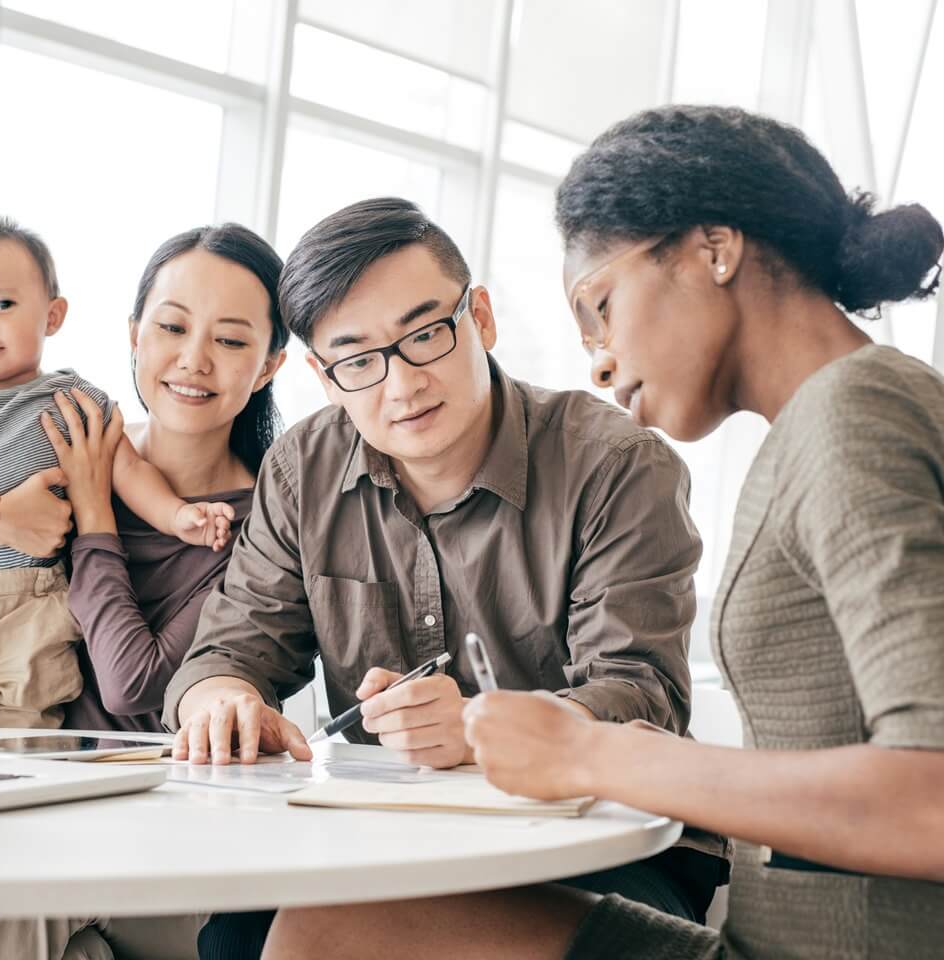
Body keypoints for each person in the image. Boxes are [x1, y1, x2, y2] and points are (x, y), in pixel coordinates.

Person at [328, 104, 944, 960]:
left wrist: (594, 754)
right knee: (336, 919)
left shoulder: (852, 415)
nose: (599, 359)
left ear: (713, 248)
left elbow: (932, 799)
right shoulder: (827, 422)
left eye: (602, 305)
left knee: (339, 926)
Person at [163, 198, 728, 957]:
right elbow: (230, 651)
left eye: (426, 334)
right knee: (235, 939)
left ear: (481, 319)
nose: (400, 385)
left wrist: (473, 729)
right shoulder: (303, 468)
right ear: (324, 377)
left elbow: (643, 694)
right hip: (391, 838)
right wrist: (221, 698)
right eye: (359, 360)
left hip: (604, 842)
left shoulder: (615, 465)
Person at [0, 223, 288, 959]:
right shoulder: (72, 442)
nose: (193, 359)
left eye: (230, 341)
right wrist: (2, 519)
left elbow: (136, 684)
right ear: (134, 335)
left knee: (16, 901)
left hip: (171, 835)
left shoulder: (262, 525)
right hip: (32, 803)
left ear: (269, 365)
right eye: (171, 327)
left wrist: (96, 514)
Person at [0, 217, 234, 729]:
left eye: (3, 305)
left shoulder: (75, 401)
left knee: (26, 736)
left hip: (37, 606)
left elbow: (128, 469)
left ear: (52, 316)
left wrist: (178, 515)